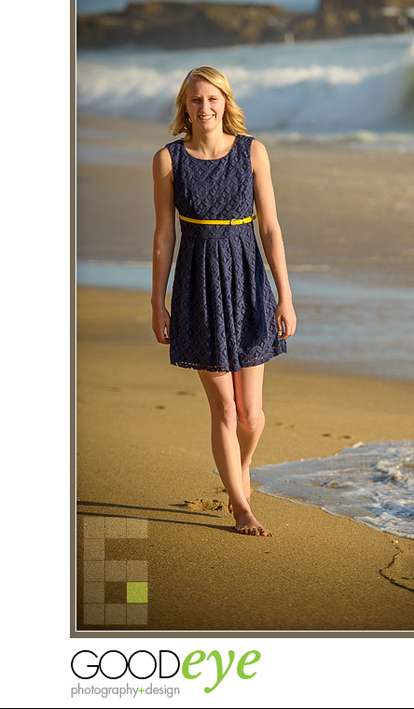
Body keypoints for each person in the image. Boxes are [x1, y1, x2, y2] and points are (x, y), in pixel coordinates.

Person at [151, 66, 297, 537]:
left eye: (212, 99)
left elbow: (271, 228)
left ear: (225, 102)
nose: (204, 108)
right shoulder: (168, 160)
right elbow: (163, 236)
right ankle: (240, 505)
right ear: (185, 106)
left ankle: (240, 467)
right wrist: (158, 301)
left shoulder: (253, 152)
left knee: (251, 415)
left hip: (248, 281)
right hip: (197, 284)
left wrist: (285, 296)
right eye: (195, 100)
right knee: (226, 411)